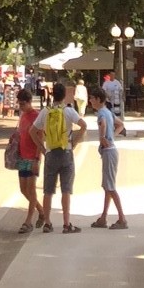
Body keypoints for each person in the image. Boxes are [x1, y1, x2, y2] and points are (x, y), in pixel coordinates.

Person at [32, 81, 87, 233]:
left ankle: (47, 223)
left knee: (48, 191)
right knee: (66, 190)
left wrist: (43, 149)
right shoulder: (68, 111)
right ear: (64, 96)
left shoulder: (45, 112)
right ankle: (66, 224)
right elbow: (84, 125)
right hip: (66, 152)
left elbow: (32, 131)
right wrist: (74, 142)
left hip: (50, 153)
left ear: (52, 94)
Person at [86, 84, 127, 229]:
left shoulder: (102, 114)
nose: (90, 100)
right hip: (110, 151)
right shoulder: (108, 112)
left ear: (98, 99)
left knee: (110, 187)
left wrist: (103, 137)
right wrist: (112, 136)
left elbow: (102, 124)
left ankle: (122, 218)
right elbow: (120, 125)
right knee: (108, 186)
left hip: (108, 152)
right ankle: (103, 217)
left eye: (92, 98)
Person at [14, 86, 42, 233]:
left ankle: (28, 221)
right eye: (19, 104)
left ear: (29, 102)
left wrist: (37, 158)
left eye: (23, 104)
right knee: (23, 189)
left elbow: (40, 138)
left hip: (32, 157)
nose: (21, 106)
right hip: (22, 156)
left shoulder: (36, 116)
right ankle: (41, 211)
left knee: (31, 189)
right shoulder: (23, 116)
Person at [102, 71, 125, 135]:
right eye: (111, 75)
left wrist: (123, 97)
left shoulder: (117, 82)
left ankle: (117, 128)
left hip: (116, 101)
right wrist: (107, 96)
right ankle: (109, 127)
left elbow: (121, 90)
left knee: (117, 115)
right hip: (109, 102)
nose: (112, 76)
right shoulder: (106, 83)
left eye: (114, 75)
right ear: (109, 75)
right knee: (109, 114)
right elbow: (103, 91)